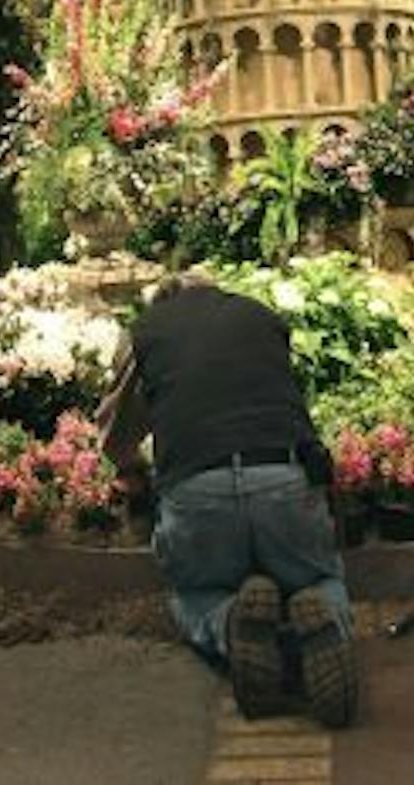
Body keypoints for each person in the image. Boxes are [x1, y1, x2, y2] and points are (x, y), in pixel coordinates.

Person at [98, 276, 357, 727]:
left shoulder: (144, 332)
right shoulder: (260, 316)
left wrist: (132, 469)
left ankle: (229, 620)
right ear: (213, 291)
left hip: (197, 487)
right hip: (284, 474)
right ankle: (319, 621)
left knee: (194, 589)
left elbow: (118, 433)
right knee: (316, 575)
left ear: (161, 303)